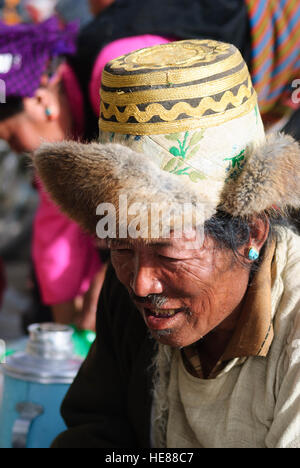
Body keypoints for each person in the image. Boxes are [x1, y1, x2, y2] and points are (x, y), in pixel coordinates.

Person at [35, 39, 300, 448]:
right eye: (121, 248)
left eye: (168, 251)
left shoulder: (292, 329)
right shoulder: (133, 293)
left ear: (251, 233)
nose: (141, 284)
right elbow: (98, 428)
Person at [0, 17, 102, 327]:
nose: (17, 152)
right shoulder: (63, 137)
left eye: (12, 138)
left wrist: (113, 272)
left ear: (40, 101)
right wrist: (67, 331)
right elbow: (55, 240)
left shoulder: (109, 82)